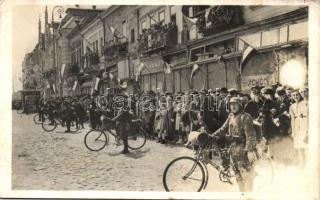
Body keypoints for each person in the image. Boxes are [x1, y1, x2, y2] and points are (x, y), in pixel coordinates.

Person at [212, 97, 257, 192]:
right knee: (238, 176)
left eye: (235, 104)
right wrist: (212, 136)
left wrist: (249, 151)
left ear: (240, 105)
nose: (233, 106)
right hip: (233, 150)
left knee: (247, 176)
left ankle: (248, 196)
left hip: (243, 151)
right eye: (231, 105)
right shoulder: (230, 116)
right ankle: (242, 194)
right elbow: (223, 129)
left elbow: (250, 135)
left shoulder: (245, 117)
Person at [289, 88, 308, 168]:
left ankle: (308, 163)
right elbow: (292, 119)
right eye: (294, 95)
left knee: (306, 144)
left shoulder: (304, 103)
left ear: (300, 95)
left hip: (304, 124)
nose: (296, 96)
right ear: (292, 97)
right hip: (297, 126)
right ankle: (301, 164)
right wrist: (293, 131)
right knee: (299, 146)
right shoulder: (291, 106)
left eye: (297, 95)